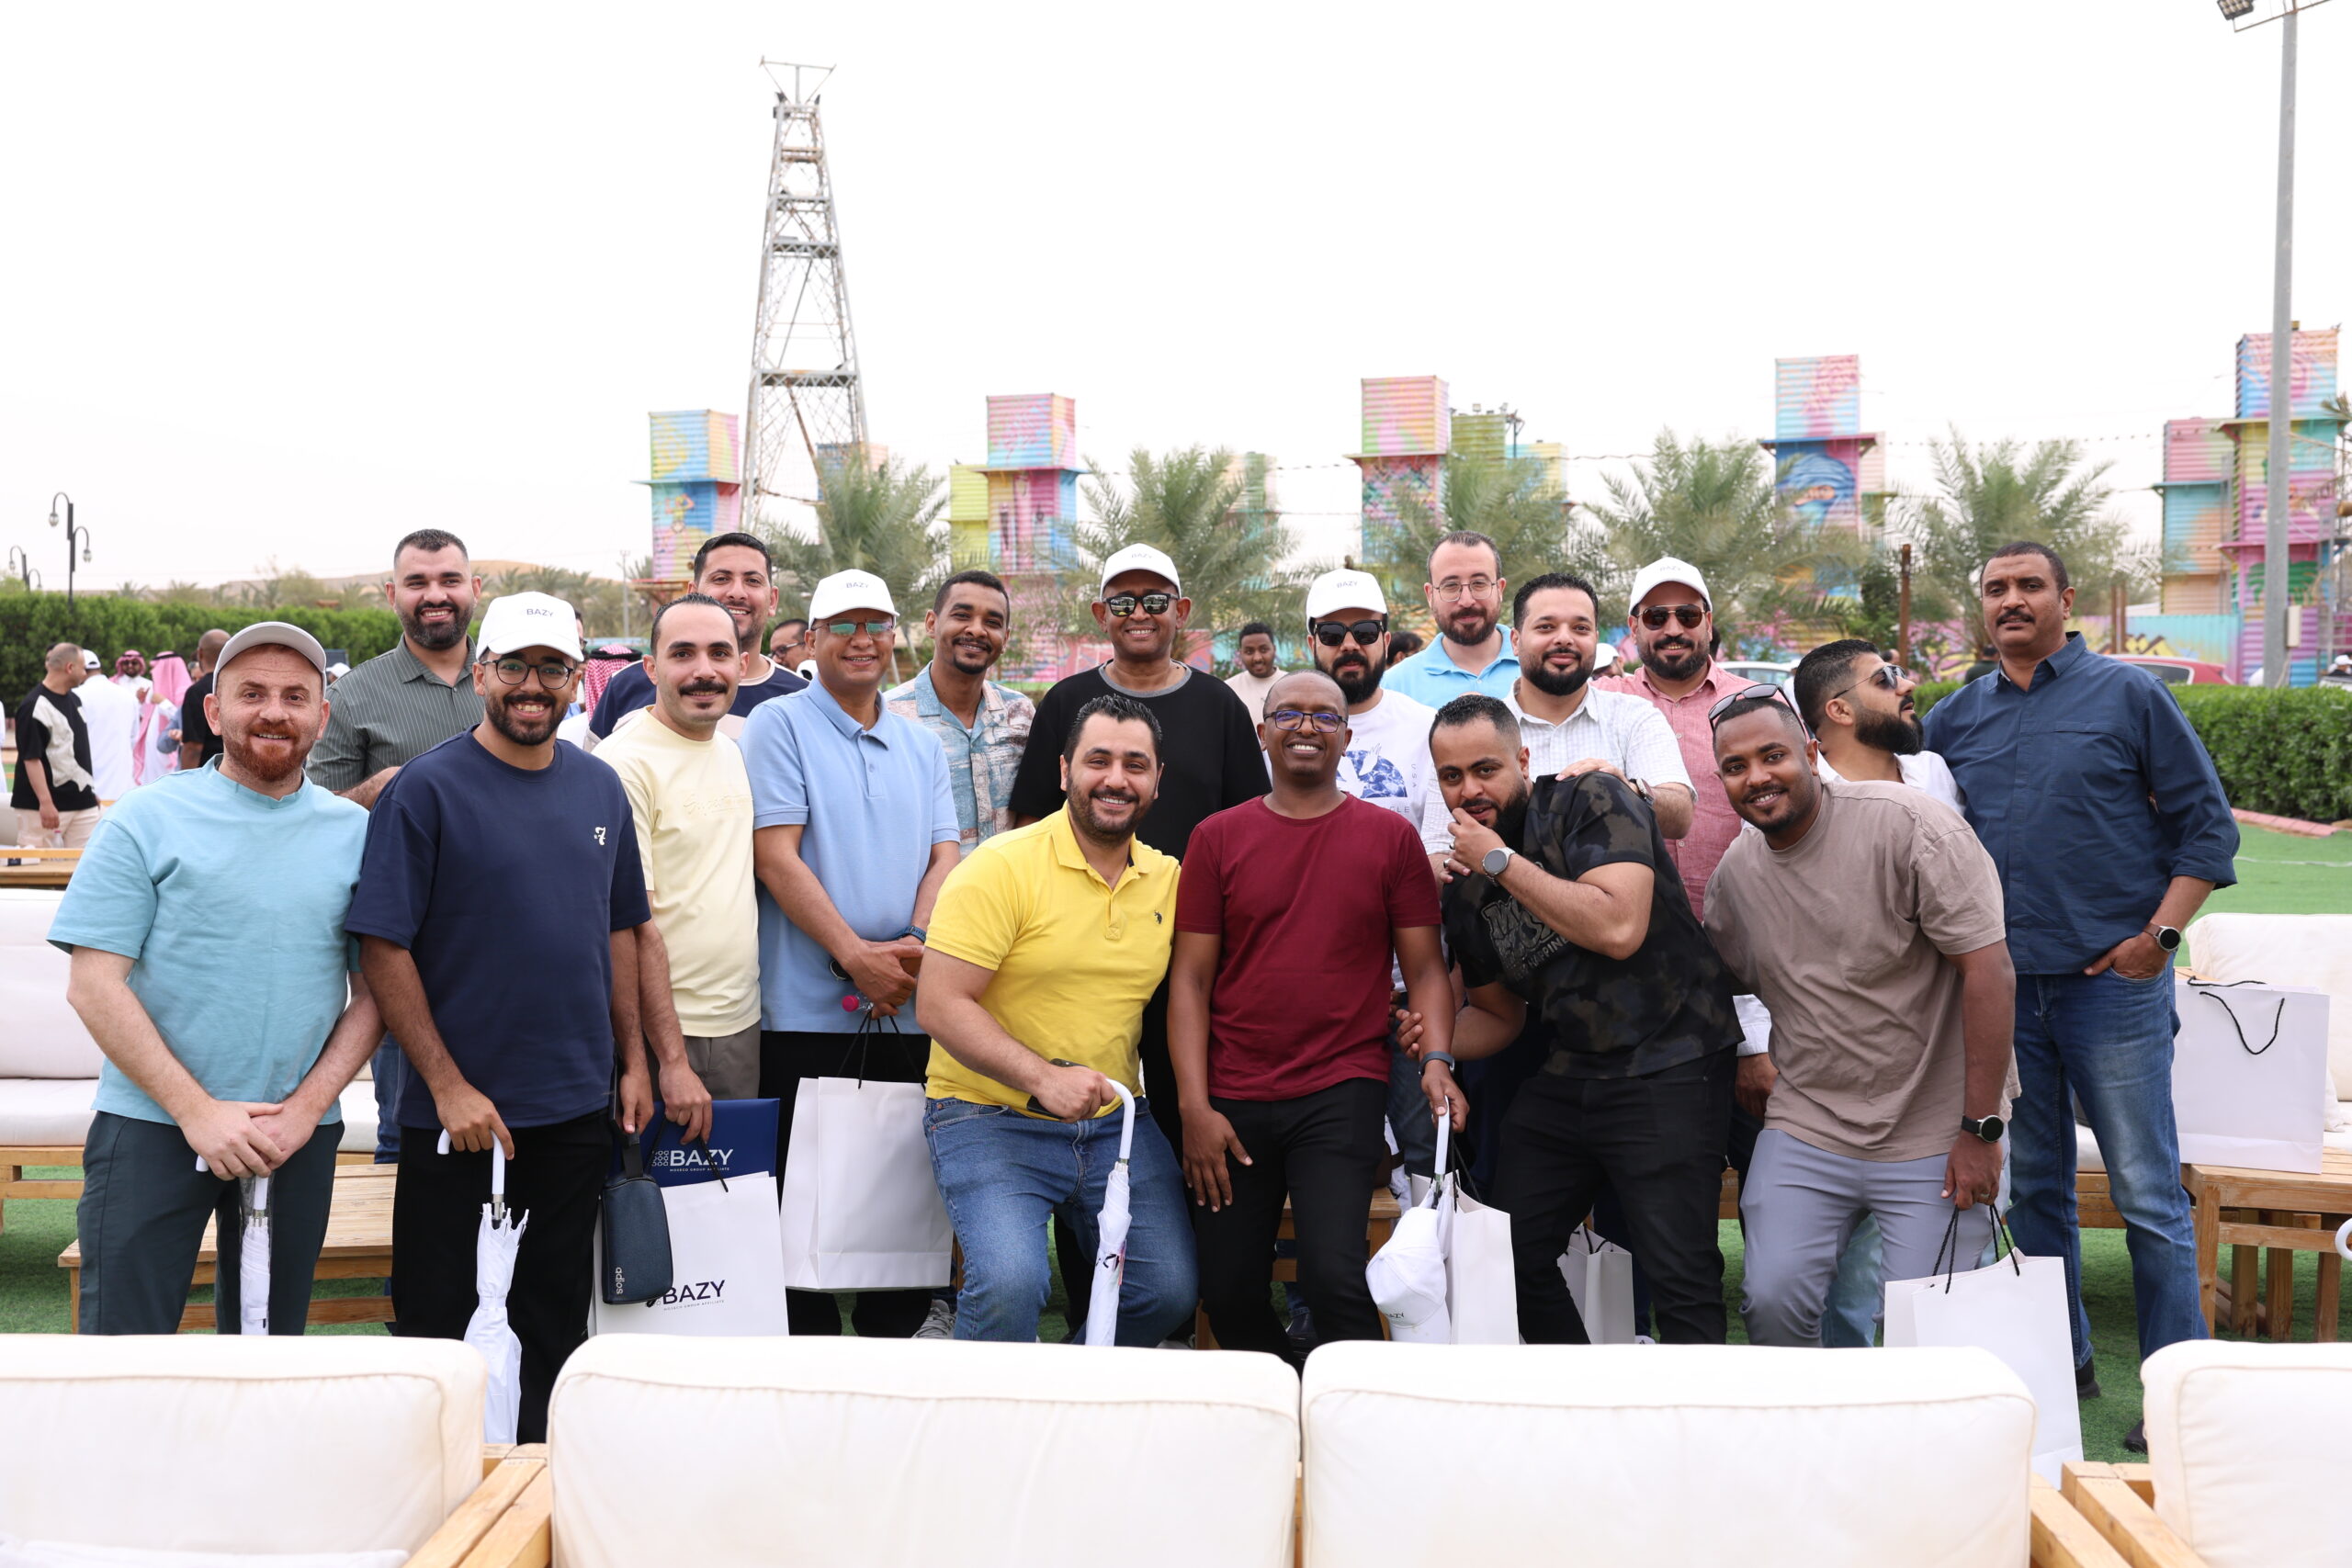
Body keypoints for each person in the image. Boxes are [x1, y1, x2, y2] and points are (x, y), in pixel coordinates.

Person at [350, 592, 684, 1443]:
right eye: (514, 667)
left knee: (551, 1322)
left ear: (578, 679)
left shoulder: (600, 785)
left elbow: (619, 930)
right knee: (438, 1325)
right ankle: (439, 1493)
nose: (533, 686)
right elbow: (382, 946)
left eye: (553, 668)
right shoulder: (425, 789)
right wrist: (446, 1085)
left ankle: (535, 1488)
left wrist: (634, 1062)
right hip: (458, 1122)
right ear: (481, 674)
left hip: (573, 1110)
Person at [1924, 541, 2237, 1449]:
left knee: (2147, 1195)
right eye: (1995, 588)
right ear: (1982, 606)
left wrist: (2158, 941)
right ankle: (2063, 1366)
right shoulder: (1954, 718)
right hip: (2005, 997)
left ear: (2067, 600)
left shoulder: (2129, 697)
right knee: (2035, 1194)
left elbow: (2207, 830)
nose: (2011, 600)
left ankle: (2178, 1394)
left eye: (2029, 585)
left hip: (2113, 991)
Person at [53, 623, 380, 1334]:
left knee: (268, 1347)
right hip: (152, 1124)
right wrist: (198, 1111)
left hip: (294, 1136)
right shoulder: (143, 819)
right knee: (123, 1349)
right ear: (212, 708)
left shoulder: (355, 834)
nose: (274, 712)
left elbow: (376, 993)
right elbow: (93, 983)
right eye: (251, 693)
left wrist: (306, 1109)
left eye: (296, 696)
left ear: (323, 716)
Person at [1427, 694, 1740, 1344]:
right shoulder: (1467, 888)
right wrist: (1432, 1042)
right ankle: (1586, 1389)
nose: (1470, 790)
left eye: (1485, 769)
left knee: (1680, 1274)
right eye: (1451, 776)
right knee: (1507, 1252)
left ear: (1522, 760)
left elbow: (1618, 927)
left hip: (1672, 1059)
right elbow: (1499, 1017)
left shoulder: (1590, 799)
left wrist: (1500, 861)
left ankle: (1701, 1409)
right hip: (1572, 1069)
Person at [1705, 690, 2014, 1348]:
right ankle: (1813, 1414)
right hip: (1811, 1120)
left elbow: (1989, 971)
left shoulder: (1909, 824)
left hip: (1938, 1126)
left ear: (1812, 752)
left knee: (1927, 1330)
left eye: (1772, 755)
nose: (1756, 776)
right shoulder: (1736, 876)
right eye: (1735, 766)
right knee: (1771, 1301)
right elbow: (1714, 983)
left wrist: (1980, 1129)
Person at [1172, 670, 1455, 1365]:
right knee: (1227, 1290)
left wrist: (1437, 1060)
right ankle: (1291, 1384)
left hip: (1341, 1087)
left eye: (1325, 716)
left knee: (1334, 1279)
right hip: (1232, 1096)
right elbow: (1191, 979)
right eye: (1289, 714)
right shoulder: (1216, 837)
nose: (1306, 726)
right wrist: (1194, 1108)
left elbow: (1425, 970)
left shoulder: (1390, 839)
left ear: (1347, 737)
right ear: (1263, 732)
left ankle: (1360, 1404)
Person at [917, 695, 1196, 1345]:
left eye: (1135, 764)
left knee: (1167, 1291)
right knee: (1011, 1285)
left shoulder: (1169, 878)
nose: (1116, 779)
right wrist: (1043, 1077)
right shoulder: (1000, 866)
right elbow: (939, 1003)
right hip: (987, 1113)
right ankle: (983, 1403)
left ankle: (1060, 1384)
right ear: (1066, 769)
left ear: (1157, 780)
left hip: (1115, 1122)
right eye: (1098, 760)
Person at [743, 568, 959, 1337]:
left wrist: (912, 950)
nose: (861, 639)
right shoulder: (777, 724)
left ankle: (890, 1360)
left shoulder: (921, 743)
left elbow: (945, 855)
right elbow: (777, 856)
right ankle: (808, 1372)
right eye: (843, 625)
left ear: (895, 634)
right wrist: (855, 955)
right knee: (798, 1214)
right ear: (811, 637)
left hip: (905, 1008)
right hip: (804, 1010)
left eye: (876, 624)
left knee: (897, 1213)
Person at [1009, 543, 1267, 1154]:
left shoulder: (1220, 706)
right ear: (1102, 614)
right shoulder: (1066, 703)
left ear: (1181, 610)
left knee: (1191, 1105)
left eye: (1155, 600)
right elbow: (1029, 822)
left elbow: (1254, 829)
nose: (1140, 613)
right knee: (1087, 1104)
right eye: (1123, 602)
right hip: (1083, 946)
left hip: (1196, 945)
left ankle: (1189, 1213)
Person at [1454, 574, 1697, 1203]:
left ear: (1598, 639)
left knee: (1629, 1210)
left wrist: (1623, 792)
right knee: (1516, 1204)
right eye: (1547, 626)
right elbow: (1445, 847)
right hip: (1515, 1000)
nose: (1564, 639)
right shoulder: (1480, 724)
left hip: (1627, 1004)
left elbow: (1679, 810)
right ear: (1515, 639)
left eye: (1580, 627)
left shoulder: (1629, 715)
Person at [308, 528, 492, 1165]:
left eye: (449, 580)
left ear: (475, 589)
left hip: (506, 948)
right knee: (409, 1139)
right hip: (402, 955)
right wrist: (382, 789)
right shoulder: (354, 694)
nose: (434, 594)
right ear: (392, 594)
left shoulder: (511, 677)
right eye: (417, 582)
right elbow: (312, 819)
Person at [1299, 568, 1451, 1179]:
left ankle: (1426, 1248)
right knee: (1332, 1158)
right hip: (1316, 993)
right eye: (1332, 633)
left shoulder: (1425, 728)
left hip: (1408, 990)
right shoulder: (1287, 730)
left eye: (1364, 632)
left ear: (1387, 638)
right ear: (1310, 640)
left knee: (1424, 1153)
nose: (1349, 646)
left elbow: (1438, 857)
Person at [594, 593, 760, 1100]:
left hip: (740, 1021)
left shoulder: (731, 750)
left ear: (742, 664)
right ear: (651, 668)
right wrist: (669, 1059)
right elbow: (630, 925)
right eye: (683, 653)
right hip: (672, 1035)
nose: (704, 671)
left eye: (719, 653)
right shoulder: (624, 765)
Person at [1593, 558, 1754, 922]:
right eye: (1655, 617)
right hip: (1640, 931)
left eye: (1688, 616)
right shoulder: (1603, 702)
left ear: (1708, 623)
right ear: (1633, 627)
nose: (1673, 629)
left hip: (1745, 922)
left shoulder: (1756, 703)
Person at [589, 533, 806, 743]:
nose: (737, 592)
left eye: (753, 580)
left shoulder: (801, 698)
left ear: (772, 600)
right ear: (693, 594)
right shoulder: (626, 684)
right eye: (721, 579)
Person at [885, 570, 1036, 853]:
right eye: (962, 615)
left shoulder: (1020, 714)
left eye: (992, 622)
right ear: (932, 623)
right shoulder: (888, 716)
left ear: (1005, 638)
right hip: (925, 883)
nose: (977, 630)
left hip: (1007, 881)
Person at [1793, 640, 1959, 806]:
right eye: (1884, 679)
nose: (1909, 685)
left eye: (1899, 674)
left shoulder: (1932, 771)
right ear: (1841, 711)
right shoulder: (1808, 800)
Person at [1381, 531, 1518, 706]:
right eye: (1451, 586)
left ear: (1500, 589)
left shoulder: (1538, 669)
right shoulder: (1394, 688)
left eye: (1479, 583)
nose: (1467, 601)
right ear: (1430, 595)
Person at [13, 644, 103, 849]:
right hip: (42, 808)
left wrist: (88, 791)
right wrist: (45, 802)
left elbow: (75, 751)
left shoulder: (75, 700)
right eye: (83, 668)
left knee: (86, 863)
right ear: (70, 668)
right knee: (38, 865)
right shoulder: (34, 705)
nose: (85, 673)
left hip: (82, 804)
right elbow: (31, 758)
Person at [74, 649, 140, 803]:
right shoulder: (127, 696)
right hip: (121, 787)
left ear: (80, 670)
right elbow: (133, 738)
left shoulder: (75, 696)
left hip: (88, 791)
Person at [175, 630, 232, 773]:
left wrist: (186, 780)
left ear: (200, 654)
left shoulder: (196, 692)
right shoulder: (242, 688)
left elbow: (193, 747)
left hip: (209, 774)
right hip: (241, 773)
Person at [1225, 621, 1283, 716]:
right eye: (1249, 652)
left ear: (1274, 649)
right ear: (1241, 653)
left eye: (1264, 650)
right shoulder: (1228, 689)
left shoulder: (1293, 683)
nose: (1257, 658)